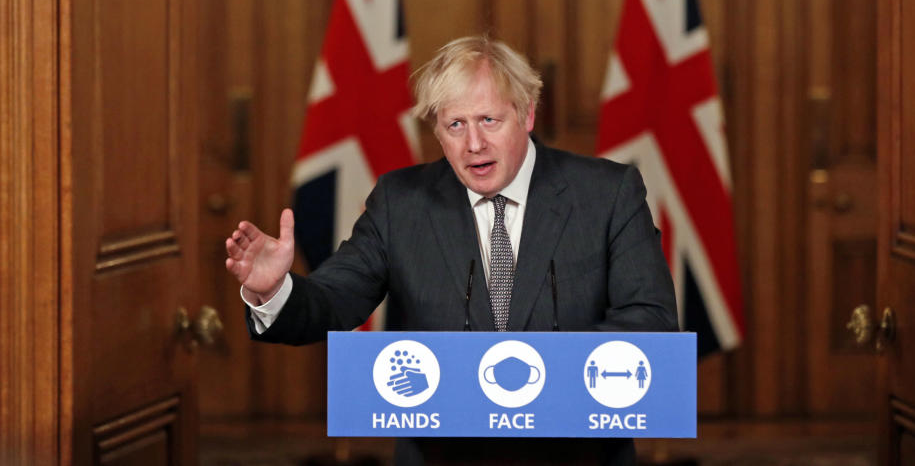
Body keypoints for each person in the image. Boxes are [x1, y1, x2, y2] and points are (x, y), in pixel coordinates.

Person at [225, 35, 678, 466]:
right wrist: (275, 291)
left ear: (527, 114)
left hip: (575, 453)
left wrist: (532, 374)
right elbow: (335, 298)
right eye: (455, 124)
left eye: (489, 120)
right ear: (437, 130)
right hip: (442, 454)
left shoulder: (606, 192)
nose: (474, 144)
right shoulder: (401, 202)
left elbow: (650, 320)